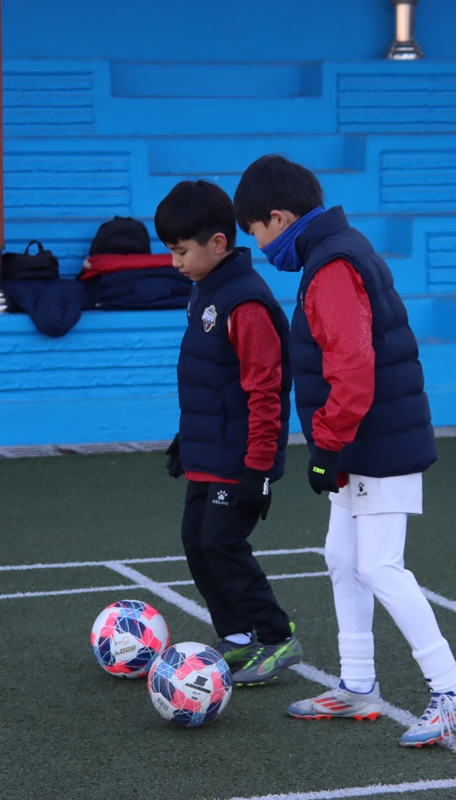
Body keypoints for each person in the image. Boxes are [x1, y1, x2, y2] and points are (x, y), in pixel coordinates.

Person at [233, 155, 456, 747]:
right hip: (363, 440)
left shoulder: (332, 266)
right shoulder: (333, 252)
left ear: (278, 218)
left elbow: (352, 369)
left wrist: (326, 447)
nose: (261, 246)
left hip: (376, 441)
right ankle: (357, 685)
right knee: (342, 558)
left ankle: (453, 690)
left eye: (257, 231)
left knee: (378, 566)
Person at [155, 179, 303, 686]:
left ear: (218, 244)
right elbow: (211, 380)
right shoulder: (205, 290)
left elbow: (265, 393)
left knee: (222, 544)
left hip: (240, 459)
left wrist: (257, 471)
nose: (175, 262)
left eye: (181, 251)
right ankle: (238, 637)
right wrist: (186, 439)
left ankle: (277, 636)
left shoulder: (246, 303)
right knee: (197, 543)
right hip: (210, 451)